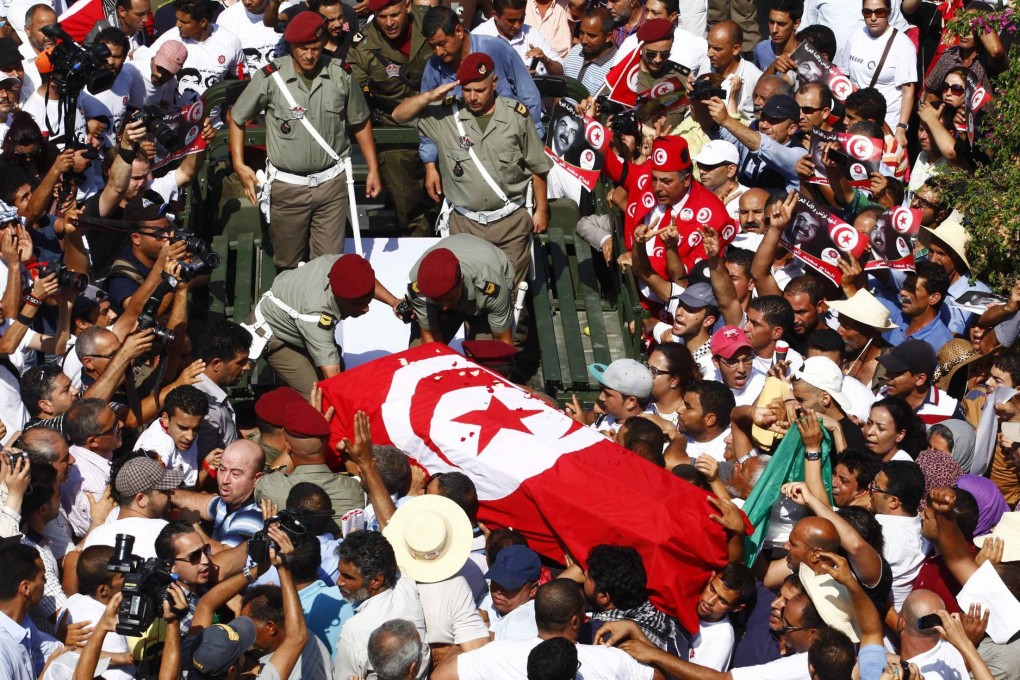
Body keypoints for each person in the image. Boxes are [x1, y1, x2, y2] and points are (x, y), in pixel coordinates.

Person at [229, 11, 381, 270]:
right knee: (287, 263)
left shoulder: (340, 74)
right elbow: (237, 117)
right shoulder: (271, 78)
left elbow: (360, 121)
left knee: (327, 264)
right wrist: (238, 164)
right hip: (288, 188)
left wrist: (373, 168)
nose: (310, 55)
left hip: (331, 185)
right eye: (303, 49)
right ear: (291, 46)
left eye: (315, 48)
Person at [394, 51, 551, 286]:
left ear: (494, 83)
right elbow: (399, 115)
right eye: (466, 90)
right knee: (467, 293)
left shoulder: (516, 116)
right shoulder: (446, 116)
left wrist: (542, 210)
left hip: (510, 222)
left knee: (509, 294)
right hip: (465, 224)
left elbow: (537, 165)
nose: (472, 97)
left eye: (479, 90)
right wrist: (430, 96)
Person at [416, 6, 544, 208]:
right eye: (433, 46)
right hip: (462, 160)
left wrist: (532, 146)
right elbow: (429, 118)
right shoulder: (434, 66)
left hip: (506, 154)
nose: (438, 52)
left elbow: (528, 96)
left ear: (459, 31)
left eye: (442, 44)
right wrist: (430, 165)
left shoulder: (495, 48)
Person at [434, 579, 660, 680]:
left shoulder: (497, 653)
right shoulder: (611, 660)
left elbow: (440, 676)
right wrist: (634, 630)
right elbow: (661, 677)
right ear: (575, 622)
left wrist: (466, 632)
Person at [244, 252, 400, 396]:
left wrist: (394, 302)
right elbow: (333, 375)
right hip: (275, 335)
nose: (366, 309)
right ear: (341, 298)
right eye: (359, 304)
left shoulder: (342, 266)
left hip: (297, 319)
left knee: (339, 370)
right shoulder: (317, 316)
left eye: (367, 301)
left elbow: (364, 281)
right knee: (319, 396)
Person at [347, 0, 435, 237]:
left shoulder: (431, 22)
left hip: (441, 118)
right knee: (406, 201)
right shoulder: (363, 46)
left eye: (394, 15)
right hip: (396, 126)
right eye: (381, 16)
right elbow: (352, 95)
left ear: (408, 6)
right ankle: (417, 246)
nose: (389, 23)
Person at [334, 530, 430, 680]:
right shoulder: (406, 584)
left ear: (376, 581)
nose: (339, 582)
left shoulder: (353, 630)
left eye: (348, 577)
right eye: (340, 573)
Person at [256, 399, 365, 520]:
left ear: (288, 447)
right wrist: (315, 425)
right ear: (326, 442)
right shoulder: (355, 489)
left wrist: (305, 426)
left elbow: (269, 477)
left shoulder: (269, 485)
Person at [405, 234, 517, 347]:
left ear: (461, 280)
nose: (445, 307)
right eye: (437, 300)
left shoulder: (491, 287)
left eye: (450, 298)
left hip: (483, 299)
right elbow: (430, 336)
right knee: (419, 351)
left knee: (487, 353)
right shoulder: (419, 286)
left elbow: (502, 341)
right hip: (462, 288)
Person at [835, 0, 917, 136]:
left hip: (885, 123)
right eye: (867, 12)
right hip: (855, 121)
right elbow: (844, 76)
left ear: (889, 13)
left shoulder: (903, 45)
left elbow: (908, 92)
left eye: (879, 12)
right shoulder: (855, 37)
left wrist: (901, 128)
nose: (873, 18)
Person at [82, 455, 183, 557]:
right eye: (164, 490)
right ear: (141, 499)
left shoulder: (95, 537)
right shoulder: (169, 533)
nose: (171, 493)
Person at [143, 0, 243, 97]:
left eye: (183, 22)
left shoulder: (230, 42)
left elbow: (240, 79)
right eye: (177, 19)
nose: (177, 24)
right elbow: (145, 70)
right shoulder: (168, 39)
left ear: (203, 22)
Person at [64, 546, 135, 680]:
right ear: (103, 590)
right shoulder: (110, 629)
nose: (130, 578)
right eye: (123, 576)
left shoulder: (72, 601)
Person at [871, 459, 928, 612]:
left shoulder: (878, 531)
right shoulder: (924, 529)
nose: (870, 492)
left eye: (876, 488)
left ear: (893, 502)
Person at [0, 542, 60, 680]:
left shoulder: (24, 624)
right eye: (42, 578)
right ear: (26, 588)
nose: (45, 583)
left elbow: (59, 652)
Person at [132, 384, 209, 489]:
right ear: (166, 419)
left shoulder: (187, 431)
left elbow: (190, 487)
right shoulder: (157, 442)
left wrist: (206, 466)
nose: (190, 437)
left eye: (196, 428)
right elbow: (144, 488)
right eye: (183, 428)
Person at [877, 339, 961, 425]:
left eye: (895, 373)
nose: (885, 377)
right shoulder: (882, 395)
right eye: (887, 371)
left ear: (920, 379)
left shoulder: (950, 410)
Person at [689, 563, 756, 670]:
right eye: (712, 589)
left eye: (722, 601)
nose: (710, 601)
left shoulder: (721, 640)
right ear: (711, 576)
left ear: (737, 608)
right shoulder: (689, 593)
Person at [474, 0, 565, 76]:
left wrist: (546, 60)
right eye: (511, 21)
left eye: (521, 19)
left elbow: (560, 71)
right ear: (495, 15)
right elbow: (473, 75)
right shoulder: (478, 38)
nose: (517, 26)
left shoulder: (532, 33)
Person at [708, 20, 761, 120]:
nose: (709, 53)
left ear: (735, 49)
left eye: (717, 49)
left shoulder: (754, 78)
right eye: (709, 46)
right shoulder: (706, 66)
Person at [485, 544, 540, 640]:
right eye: (495, 581)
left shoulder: (525, 620)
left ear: (533, 589)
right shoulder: (486, 600)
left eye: (508, 585)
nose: (498, 591)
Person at [585, 358, 653, 435]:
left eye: (608, 394)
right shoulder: (610, 414)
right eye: (602, 390)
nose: (601, 397)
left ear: (631, 402)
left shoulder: (640, 434)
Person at [562, 8, 618, 96]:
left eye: (591, 36)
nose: (584, 40)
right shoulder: (575, 50)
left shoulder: (615, 66)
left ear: (608, 36)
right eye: (581, 33)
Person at [680, 379, 735, 461]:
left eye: (688, 407)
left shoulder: (732, 448)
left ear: (709, 419)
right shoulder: (676, 439)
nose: (678, 410)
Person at [694, 140, 746, 219]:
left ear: (731, 170)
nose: (701, 171)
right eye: (700, 165)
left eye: (709, 166)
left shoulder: (750, 198)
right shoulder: (695, 197)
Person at [84, 0, 152, 54]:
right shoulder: (100, 32)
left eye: (148, 13)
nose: (146, 19)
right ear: (122, 11)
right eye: (139, 14)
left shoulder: (141, 29)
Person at [753, 0, 801, 72]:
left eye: (781, 24)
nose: (774, 30)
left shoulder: (805, 55)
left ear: (796, 24)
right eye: (771, 22)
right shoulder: (760, 49)